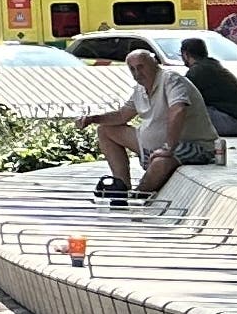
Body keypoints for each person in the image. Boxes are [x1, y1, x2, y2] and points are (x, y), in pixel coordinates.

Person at [89, 42, 221, 204]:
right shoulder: (140, 89)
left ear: (154, 64)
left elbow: (178, 109)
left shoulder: (171, 79)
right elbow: (122, 115)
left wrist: (169, 147)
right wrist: (93, 119)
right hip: (152, 148)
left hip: (191, 145)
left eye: (141, 67)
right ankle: (121, 186)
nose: (138, 73)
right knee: (105, 130)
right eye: (132, 69)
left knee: (160, 162)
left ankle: (137, 195)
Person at [178, 35, 237, 146]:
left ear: (186, 54)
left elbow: (180, 100)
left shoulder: (197, 71)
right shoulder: (211, 66)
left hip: (234, 123)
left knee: (183, 109)